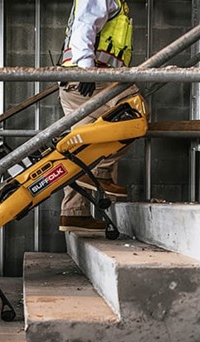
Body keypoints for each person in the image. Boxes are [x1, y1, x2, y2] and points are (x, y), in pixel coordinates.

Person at [58, 0, 143, 232]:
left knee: (82, 147)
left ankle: (73, 213)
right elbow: (84, 26)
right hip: (94, 78)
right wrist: (87, 71)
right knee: (134, 113)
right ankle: (99, 172)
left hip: (77, 80)